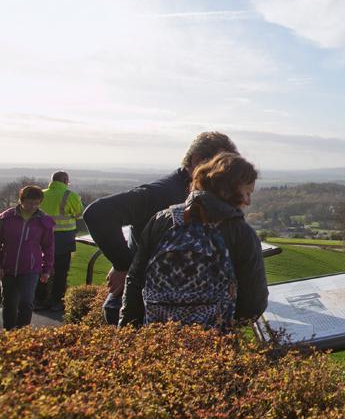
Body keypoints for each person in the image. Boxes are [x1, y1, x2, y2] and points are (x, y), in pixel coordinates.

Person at [83, 132, 237, 325]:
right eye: (221, 167)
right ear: (197, 160)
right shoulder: (163, 193)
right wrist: (125, 266)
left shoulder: (189, 193)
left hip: (160, 307)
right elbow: (98, 214)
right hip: (145, 311)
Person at [120, 152, 268, 327]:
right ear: (229, 190)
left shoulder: (163, 220)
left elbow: (135, 280)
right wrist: (231, 324)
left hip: (156, 335)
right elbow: (253, 301)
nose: (249, 202)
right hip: (211, 344)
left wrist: (128, 331)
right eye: (247, 193)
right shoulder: (241, 233)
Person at [0, 186, 55, 330]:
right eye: (30, 203)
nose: (33, 206)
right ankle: (9, 331)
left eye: (37, 203)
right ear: (22, 200)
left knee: (26, 301)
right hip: (8, 267)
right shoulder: (6, 218)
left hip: (31, 268)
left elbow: (49, 247)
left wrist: (46, 269)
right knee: (9, 302)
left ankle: (23, 332)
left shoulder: (44, 222)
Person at [35, 171, 84, 312]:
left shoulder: (41, 194)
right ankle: (57, 302)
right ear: (64, 180)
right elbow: (79, 214)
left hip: (40, 238)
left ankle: (38, 300)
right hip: (63, 238)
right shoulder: (70, 195)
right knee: (61, 272)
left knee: (41, 269)